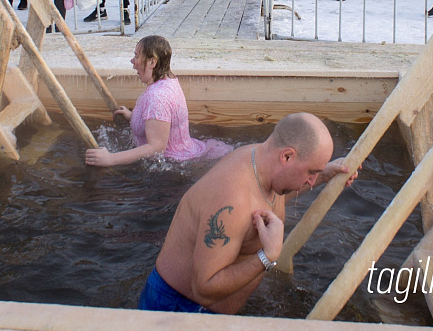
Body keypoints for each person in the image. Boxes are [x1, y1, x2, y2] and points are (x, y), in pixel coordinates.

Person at [139, 112, 357, 314]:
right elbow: (203, 290)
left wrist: (325, 175)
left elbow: (270, 197)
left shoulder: (261, 160)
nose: (310, 180)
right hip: (177, 311)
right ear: (287, 156)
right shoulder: (232, 199)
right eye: (311, 171)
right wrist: (267, 256)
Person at [85, 35, 231, 167]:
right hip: (186, 153)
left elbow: (156, 148)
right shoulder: (169, 80)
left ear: (152, 62)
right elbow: (161, 120)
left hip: (173, 166)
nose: (132, 62)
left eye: (136, 56)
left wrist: (111, 159)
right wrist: (132, 117)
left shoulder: (157, 97)